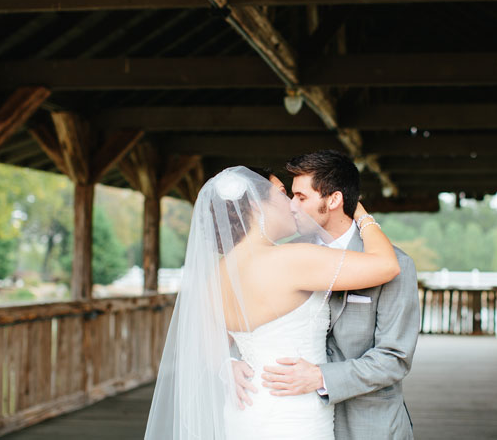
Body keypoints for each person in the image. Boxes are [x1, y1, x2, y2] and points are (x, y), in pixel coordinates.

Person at [144, 165, 401, 440]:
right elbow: (387, 265)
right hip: (294, 417)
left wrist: (226, 365)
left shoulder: (215, 276)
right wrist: (359, 212)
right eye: (281, 193)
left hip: (244, 410)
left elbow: (205, 344)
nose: (292, 204)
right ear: (256, 205)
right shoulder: (292, 259)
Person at [235, 150, 420, 439]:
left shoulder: (397, 264)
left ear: (333, 200)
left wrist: (321, 377)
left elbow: (394, 358)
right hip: (294, 419)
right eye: (289, 195)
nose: (291, 206)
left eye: (301, 197)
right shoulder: (285, 256)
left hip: (368, 425)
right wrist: (230, 362)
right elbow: (248, 316)